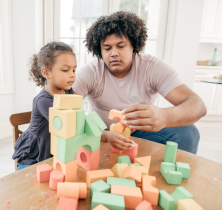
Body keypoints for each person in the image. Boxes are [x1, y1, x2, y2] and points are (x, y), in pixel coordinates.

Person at [72, 11, 207, 154]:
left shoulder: (152, 67)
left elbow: (198, 105)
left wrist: (164, 116)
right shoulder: (90, 71)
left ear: (133, 46)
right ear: (100, 51)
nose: (114, 53)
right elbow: (63, 107)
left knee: (188, 133)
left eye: (121, 46)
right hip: (102, 136)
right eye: (107, 48)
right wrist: (101, 135)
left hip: (140, 135)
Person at [12, 42, 77, 170]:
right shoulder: (43, 100)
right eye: (65, 70)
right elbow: (67, 124)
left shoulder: (69, 91)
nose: (72, 74)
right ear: (46, 72)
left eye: (74, 69)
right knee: (32, 184)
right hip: (34, 153)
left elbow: (77, 114)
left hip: (54, 147)